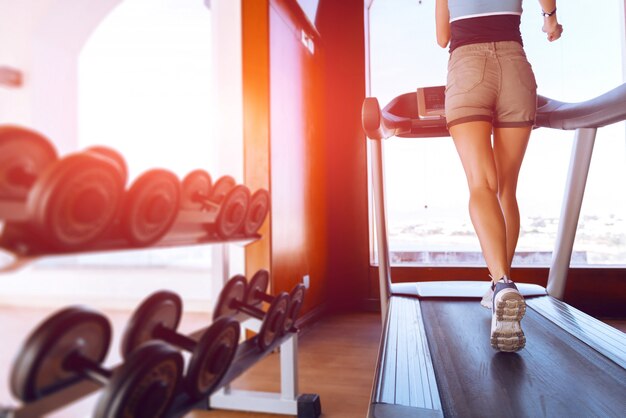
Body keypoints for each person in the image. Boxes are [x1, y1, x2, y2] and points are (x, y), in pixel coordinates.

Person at [435, 0, 563, 352]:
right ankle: (502, 286)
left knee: (482, 184)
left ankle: (501, 284)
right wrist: (550, 21)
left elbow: (442, 36)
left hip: (467, 69)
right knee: (507, 189)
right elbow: (546, 5)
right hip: (515, 67)